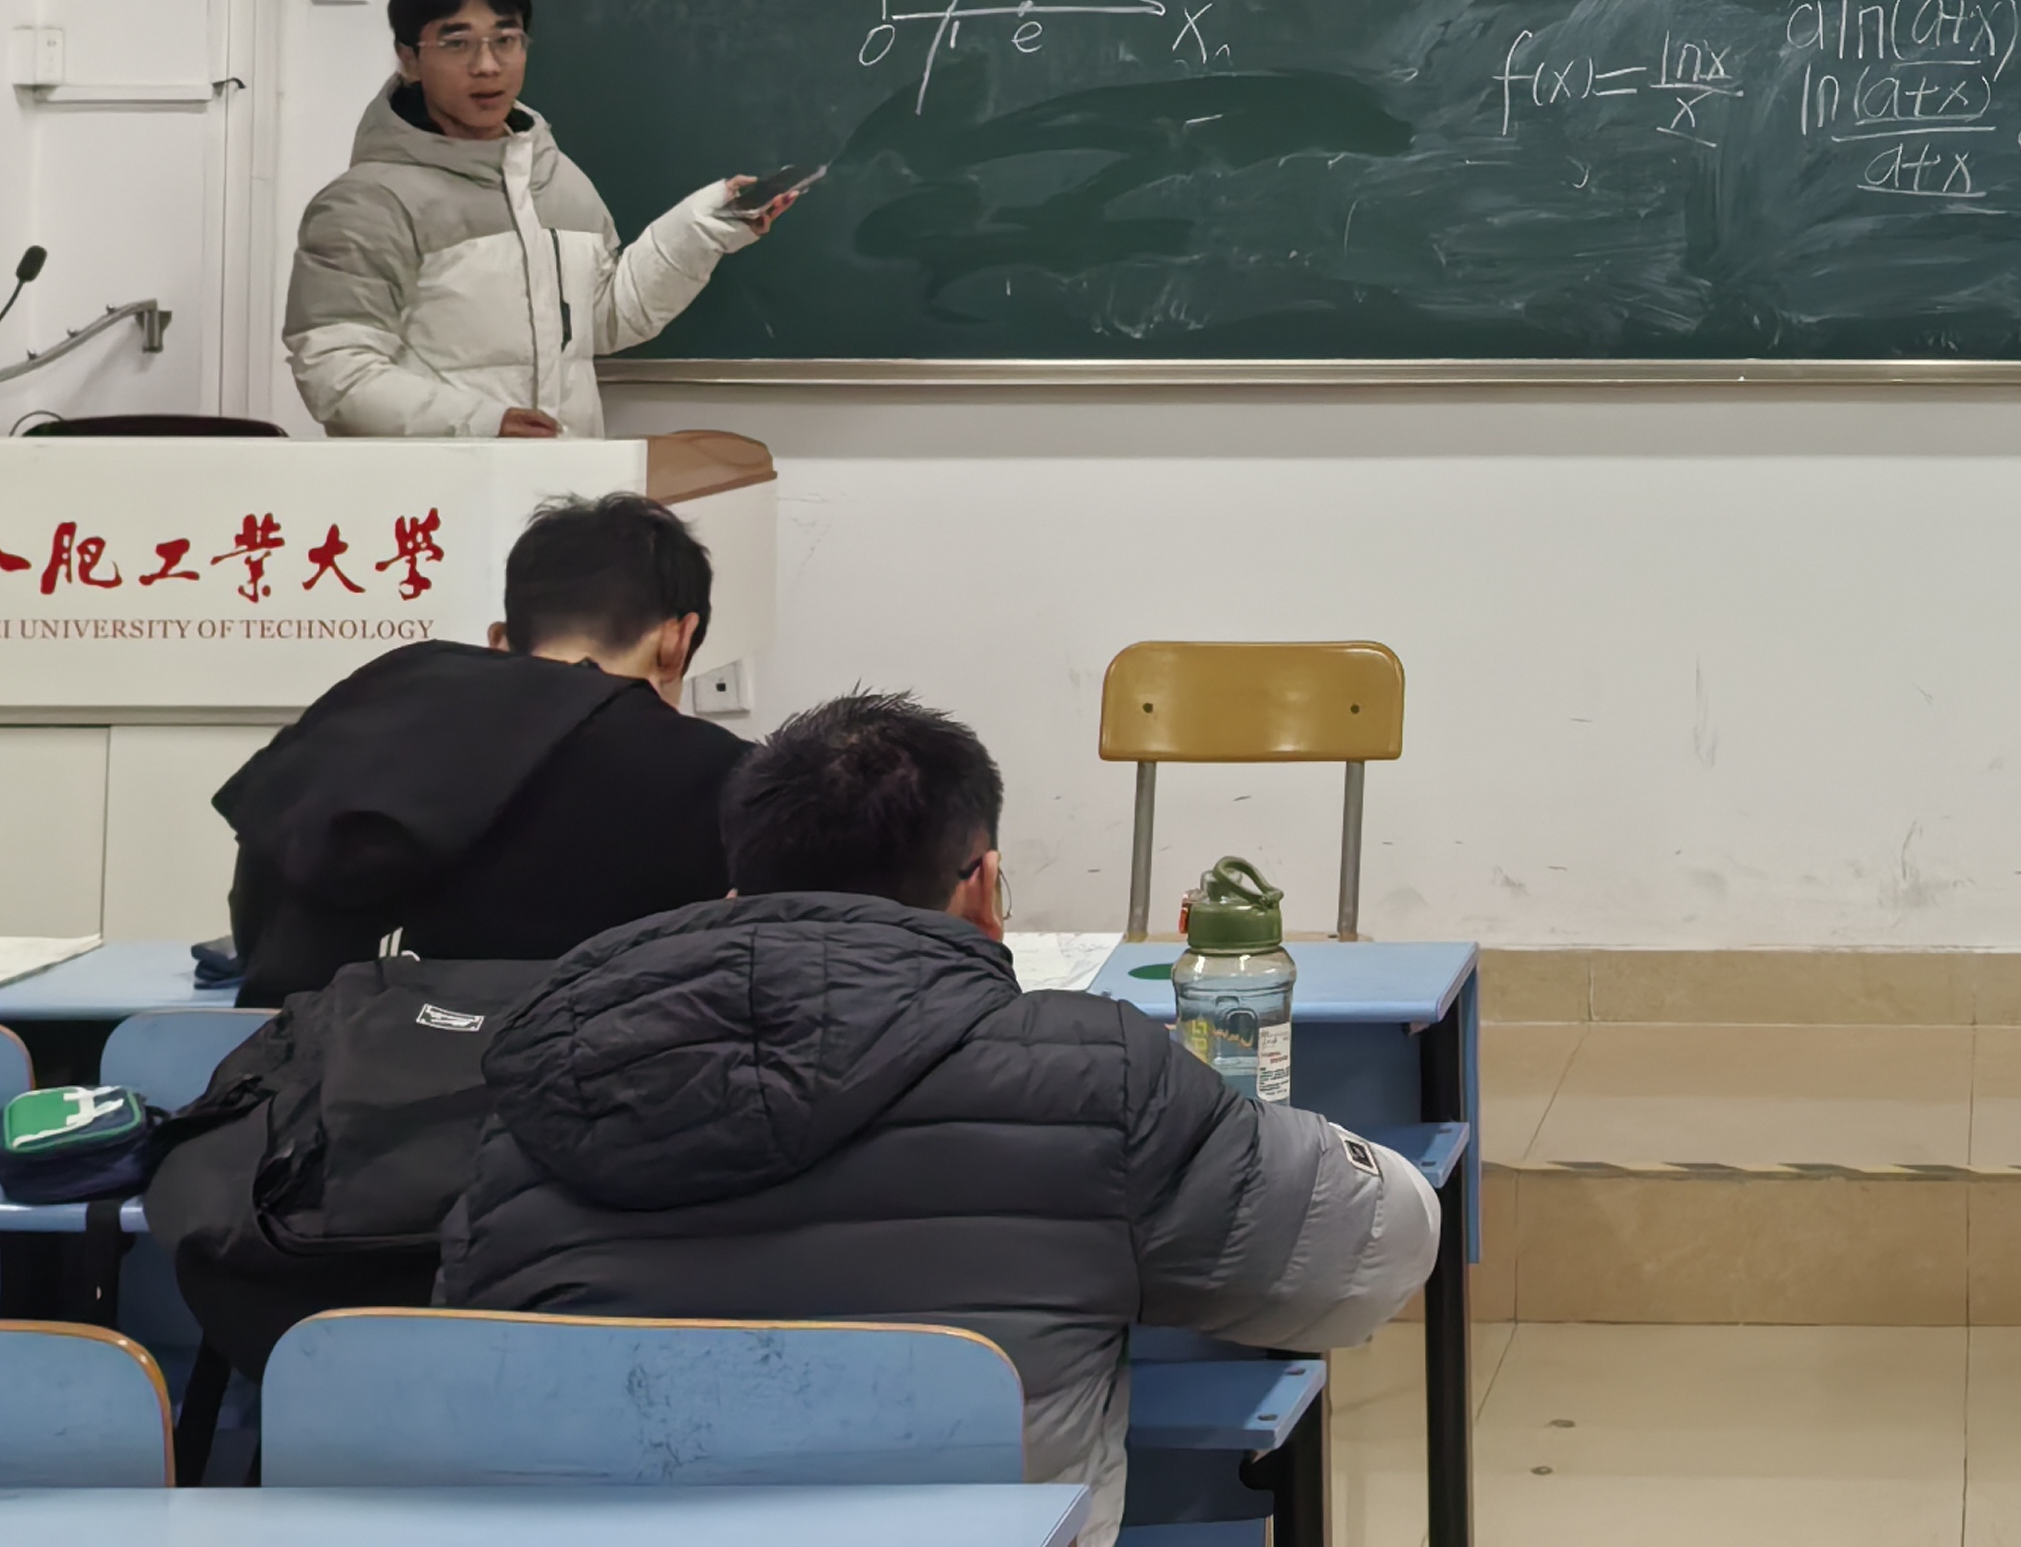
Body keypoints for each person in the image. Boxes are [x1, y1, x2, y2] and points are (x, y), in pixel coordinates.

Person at [437, 690, 1436, 1547]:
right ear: (985, 887)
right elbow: (1370, 1254)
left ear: (735, 898)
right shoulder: (1093, 1077)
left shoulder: (539, 1089)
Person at [212, 493, 749, 1003]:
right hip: (589, 1064)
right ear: (677, 640)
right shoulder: (717, 771)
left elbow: (262, 932)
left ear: (501, 639)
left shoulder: (377, 701)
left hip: (317, 1058)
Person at [284, 0, 798, 439]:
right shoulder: (367, 203)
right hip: (441, 488)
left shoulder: (554, 177)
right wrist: (484, 423)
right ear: (409, 59)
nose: (487, 65)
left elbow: (606, 320)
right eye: (457, 43)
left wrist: (703, 227)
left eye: (505, 40)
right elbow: (336, 371)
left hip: (561, 480)